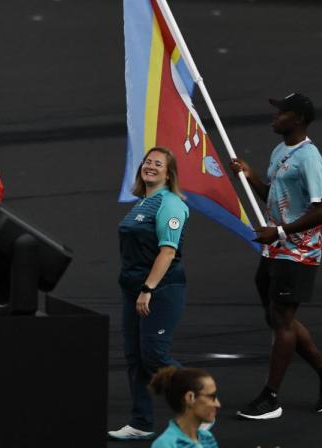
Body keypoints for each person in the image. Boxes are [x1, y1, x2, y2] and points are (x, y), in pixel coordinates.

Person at [230, 93, 322, 420]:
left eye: (281, 113)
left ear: (297, 118)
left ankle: (271, 398)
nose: (274, 117)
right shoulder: (281, 150)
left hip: (298, 252)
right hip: (276, 248)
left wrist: (281, 232)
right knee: (277, 318)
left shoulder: (309, 157)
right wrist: (252, 177)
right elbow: (278, 199)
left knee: (281, 321)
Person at [108, 146, 190, 441]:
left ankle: (200, 402)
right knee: (134, 357)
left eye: (158, 163)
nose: (150, 166)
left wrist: (148, 289)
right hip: (132, 289)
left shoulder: (170, 204)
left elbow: (167, 252)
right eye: (147, 162)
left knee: (155, 355)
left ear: (169, 174)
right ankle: (141, 422)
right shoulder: (142, 203)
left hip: (160, 289)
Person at [148, 366, 220, 448]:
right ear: (190, 398)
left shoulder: (207, 437)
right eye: (211, 397)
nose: (218, 404)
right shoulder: (165, 445)